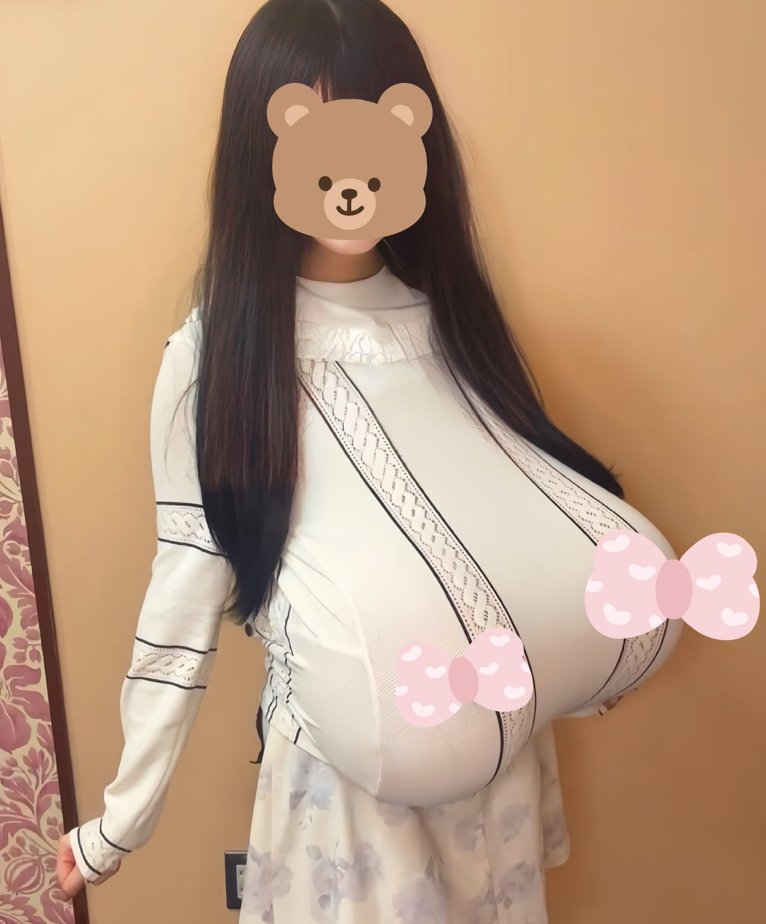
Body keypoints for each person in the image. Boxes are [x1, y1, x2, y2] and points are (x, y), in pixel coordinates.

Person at [57, 1, 682, 921]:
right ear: (262, 150)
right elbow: (183, 596)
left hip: (496, 777)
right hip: (350, 800)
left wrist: (589, 655)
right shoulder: (218, 358)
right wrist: (120, 824)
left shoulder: (451, 323)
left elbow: (524, 518)